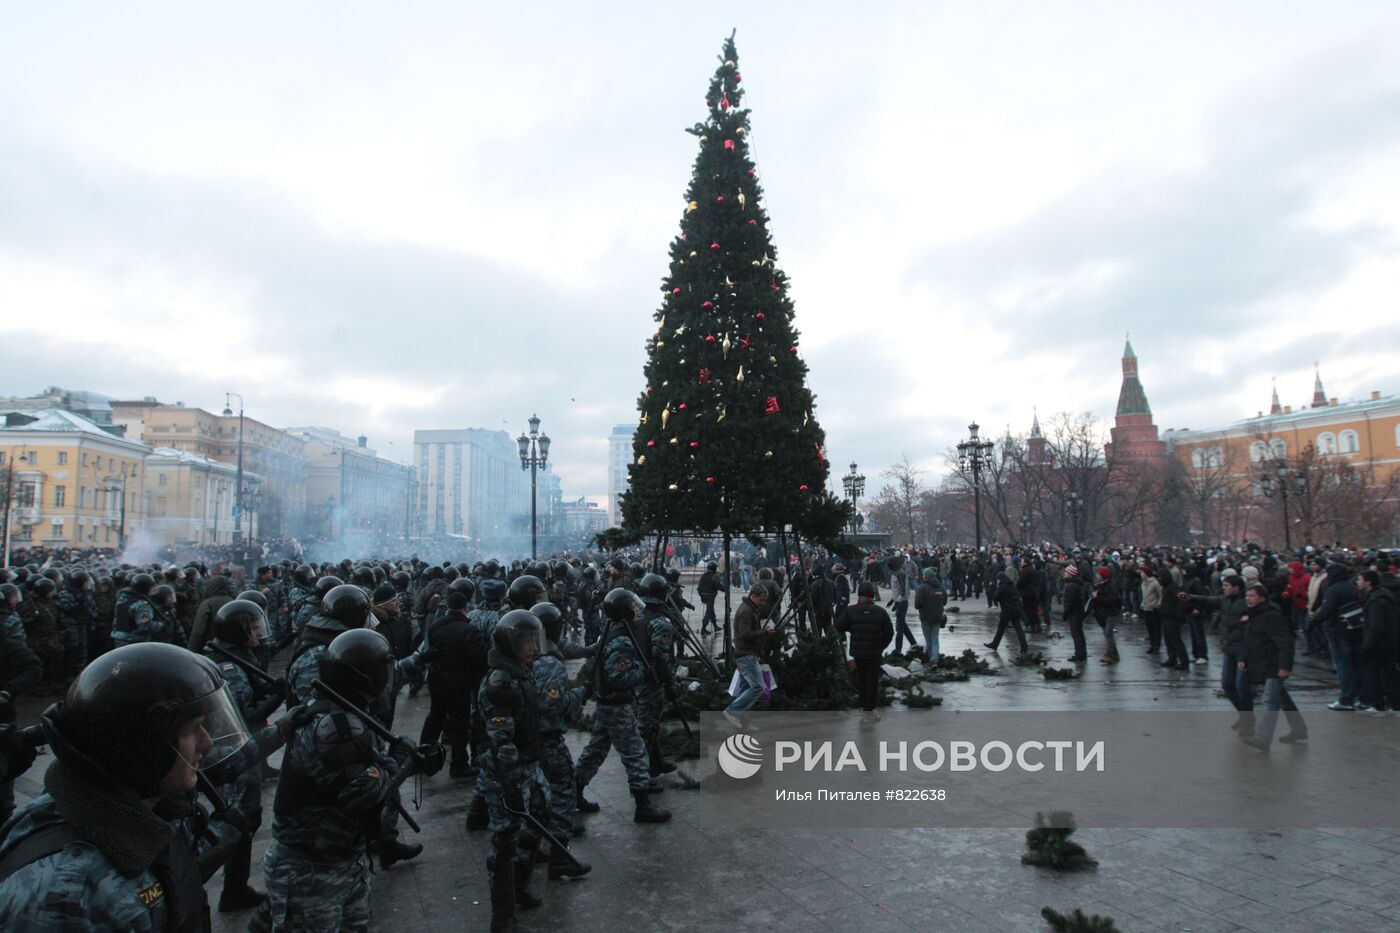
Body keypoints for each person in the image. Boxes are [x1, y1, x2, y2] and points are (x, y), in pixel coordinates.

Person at [0, 643, 250, 929]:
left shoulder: (146, 807)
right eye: (193, 729)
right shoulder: (65, 896)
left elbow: (157, 886)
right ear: (143, 748)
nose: (206, 742)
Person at [250, 629, 426, 933]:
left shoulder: (342, 710)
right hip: (312, 867)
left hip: (342, 857)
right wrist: (402, 760)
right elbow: (362, 793)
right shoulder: (335, 727)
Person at [204, 599, 309, 913]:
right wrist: (276, 697)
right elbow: (242, 715)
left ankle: (236, 888)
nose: (258, 633)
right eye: (252, 628)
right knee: (238, 823)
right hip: (233, 753)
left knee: (247, 821)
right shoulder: (228, 666)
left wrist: (268, 689)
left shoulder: (234, 656)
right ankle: (231, 892)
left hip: (242, 750)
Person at [477, 610, 553, 931]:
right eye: (526, 641)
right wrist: (510, 790)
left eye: (535, 639)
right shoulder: (500, 683)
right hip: (509, 773)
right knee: (505, 842)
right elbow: (500, 742)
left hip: (529, 766)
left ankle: (520, 888)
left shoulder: (520, 671)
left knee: (536, 823)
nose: (532, 647)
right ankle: (502, 915)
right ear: (509, 643)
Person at [572, 588, 671, 824]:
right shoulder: (621, 639)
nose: (636, 610)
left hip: (606, 703)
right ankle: (643, 805)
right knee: (636, 753)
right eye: (631, 606)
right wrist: (643, 673)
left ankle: (573, 793)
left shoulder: (612, 629)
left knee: (595, 751)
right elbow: (618, 677)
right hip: (617, 705)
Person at [526, 603, 592, 881]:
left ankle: (531, 850)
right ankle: (559, 857)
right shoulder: (550, 662)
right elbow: (554, 705)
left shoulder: (524, 654)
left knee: (538, 798)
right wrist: (580, 694)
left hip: (529, 737)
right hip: (548, 738)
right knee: (563, 792)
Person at [1182, 574, 1252, 734]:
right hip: (1229, 647)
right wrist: (1190, 597)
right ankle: (1243, 714)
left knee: (1243, 686)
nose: (1224, 588)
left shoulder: (1245, 602)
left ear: (1236, 587)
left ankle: (1249, 721)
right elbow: (1208, 600)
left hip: (1243, 649)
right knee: (1227, 684)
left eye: (1227, 585)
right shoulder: (1224, 600)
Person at [1239, 584, 1304, 750]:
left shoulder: (1270, 616)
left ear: (1262, 598)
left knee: (1269, 701)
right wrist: (1245, 659)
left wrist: (1284, 667)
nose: (1249, 598)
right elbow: (1251, 640)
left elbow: (1285, 642)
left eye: (1252, 595)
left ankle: (1263, 739)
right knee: (1281, 698)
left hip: (1273, 664)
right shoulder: (1254, 614)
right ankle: (1299, 729)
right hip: (1263, 662)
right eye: (1248, 595)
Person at [1311, 562, 1366, 711]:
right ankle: (1361, 697)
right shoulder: (1352, 587)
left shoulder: (1333, 589)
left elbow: (1326, 610)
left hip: (1337, 630)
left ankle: (1346, 699)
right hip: (1355, 628)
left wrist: (1312, 623)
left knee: (1343, 664)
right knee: (1356, 663)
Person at [836, 581, 893, 723]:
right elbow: (889, 633)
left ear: (859, 594)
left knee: (861, 679)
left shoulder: (851, 610)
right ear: (872, 595)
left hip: (858, 652)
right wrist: (881, 646)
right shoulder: (881, 612)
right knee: (872, 681)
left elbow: (839, 625)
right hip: (874, 653)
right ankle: (869, 710)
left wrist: (853, 628)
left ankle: (863, 706)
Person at [0, 633, 42, 822]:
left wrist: (9, 690)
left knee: (2, 800)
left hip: (2, 726)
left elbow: (32, 667)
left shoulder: (7, 647)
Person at [725, 585, 775, 728]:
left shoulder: (750, 609)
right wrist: (765, 633)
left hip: (748, 653)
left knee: (746, 690)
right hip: (746, 654)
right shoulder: (746, 611)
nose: (763, 603)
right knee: (758, 687)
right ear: (753, 596)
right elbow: (745, 635)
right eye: (762, 599)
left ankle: (744, 723)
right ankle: (732, 710)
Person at [1358, 570, 1400, 713]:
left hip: (1380, 644)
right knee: (1390, 674)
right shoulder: (1384, 595)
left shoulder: (1375, 600)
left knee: (1375, 673)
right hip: (1390, 642)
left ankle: (1378, 704)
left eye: (1360, 579)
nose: (1358, 582)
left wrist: (1367, 645)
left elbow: (1376, 626)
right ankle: (1395, 705)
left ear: (1368, 582)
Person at [985, 571, 1028, 654]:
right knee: (1019, 630)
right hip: (1016, 610)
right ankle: (1024, 646)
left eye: (998, 580)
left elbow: (995, 598)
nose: (997, 581)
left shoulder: (1002, 587)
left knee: (1000, 629)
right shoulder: (1012, 585)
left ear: (1000, 579)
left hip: (1007, 611)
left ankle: (994, 644)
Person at [1088, 567, 1121, 664]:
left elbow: (1111, 601)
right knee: (1107, 634)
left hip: (1111, 613)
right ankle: (1114, 654)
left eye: (1098, 574)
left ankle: (1109, 654)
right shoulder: (1098, 586)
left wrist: (1097, 598)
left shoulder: (1111, 587)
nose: (1097, 576)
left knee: (1108, 632)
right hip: (1101, 614)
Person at [913, 568, 946, 661]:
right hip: (938, 617)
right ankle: (935, 660)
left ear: (925, 576)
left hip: (925, 617)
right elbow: (944, 602)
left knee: (928, 639)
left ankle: (931, 659)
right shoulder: (941, 587)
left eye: (923, 575)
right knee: (935, 638)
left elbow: (917, 604)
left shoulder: (921, 588)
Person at [1061, 565, 1089, 662]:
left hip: (1074, 613)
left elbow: (1070, 602)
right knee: (1079, 634)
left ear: (1070, 574)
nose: (1064, 573)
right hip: (1078, 612)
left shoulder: (1071, 585)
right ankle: (1082, 653)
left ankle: (1079, 655)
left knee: (1076, 634)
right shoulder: (1075, 584)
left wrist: (1065, 613)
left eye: (1066, 572)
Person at [1139, 566, 1163, 654]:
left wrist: (1158, 604)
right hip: (1146, 608)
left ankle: (1157, 645)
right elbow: (1144, 596)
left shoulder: (1154, 583)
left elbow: (1160, 595)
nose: (1141, 574)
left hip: (1154, 608)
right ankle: (1152, 645)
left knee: (1156, 627)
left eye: (1142, 573)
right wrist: (1142, 603)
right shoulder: (1143, 584)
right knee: (1149, 628)